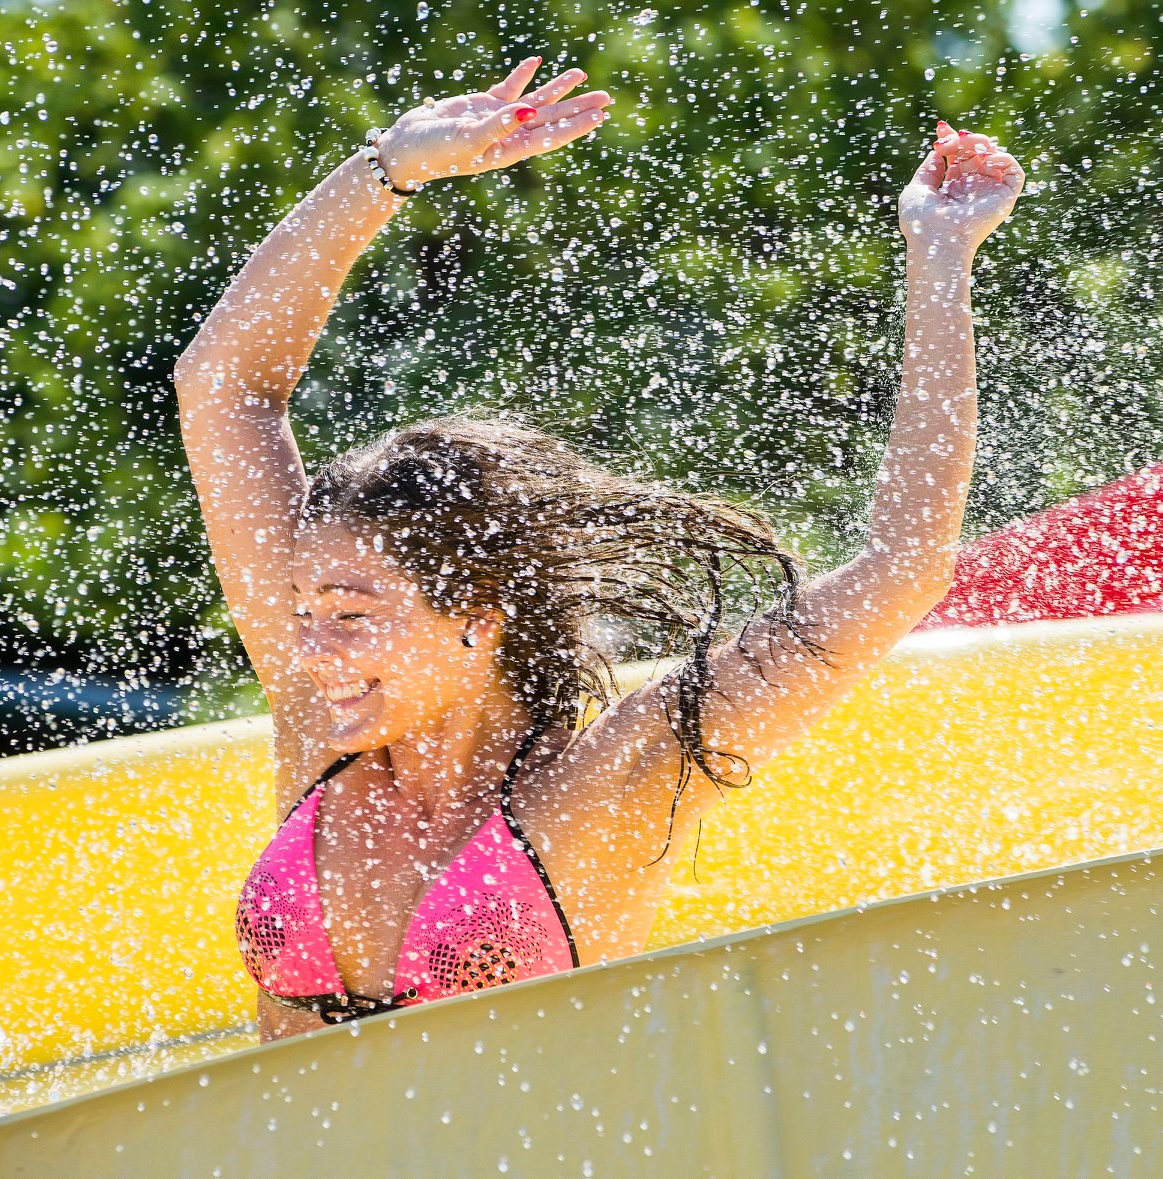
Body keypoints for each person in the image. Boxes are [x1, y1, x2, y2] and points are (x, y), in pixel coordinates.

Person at [173, 55, 1023, 1042]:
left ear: (476, 620)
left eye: (353, 618)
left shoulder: (615, 781)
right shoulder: (322, 720)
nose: (308, 647)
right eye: (307, 615)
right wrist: (383, 170)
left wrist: (939, 252)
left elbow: (903, 564)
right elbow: (222, 386)